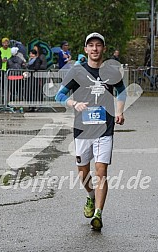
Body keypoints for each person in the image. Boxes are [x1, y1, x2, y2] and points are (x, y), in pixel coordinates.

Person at [55, 32, 126, 231]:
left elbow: (122, 91)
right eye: (91, 45)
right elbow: (59, 96)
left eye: (98, 45)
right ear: (86, 49)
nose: (95, 49)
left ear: (103, 49)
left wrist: (119, 111)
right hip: (82, 129)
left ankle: (98, 213)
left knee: (101, 171)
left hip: (105, 128)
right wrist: (73, 103)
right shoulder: (77, 72)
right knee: (83, 173)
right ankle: (91, 195)